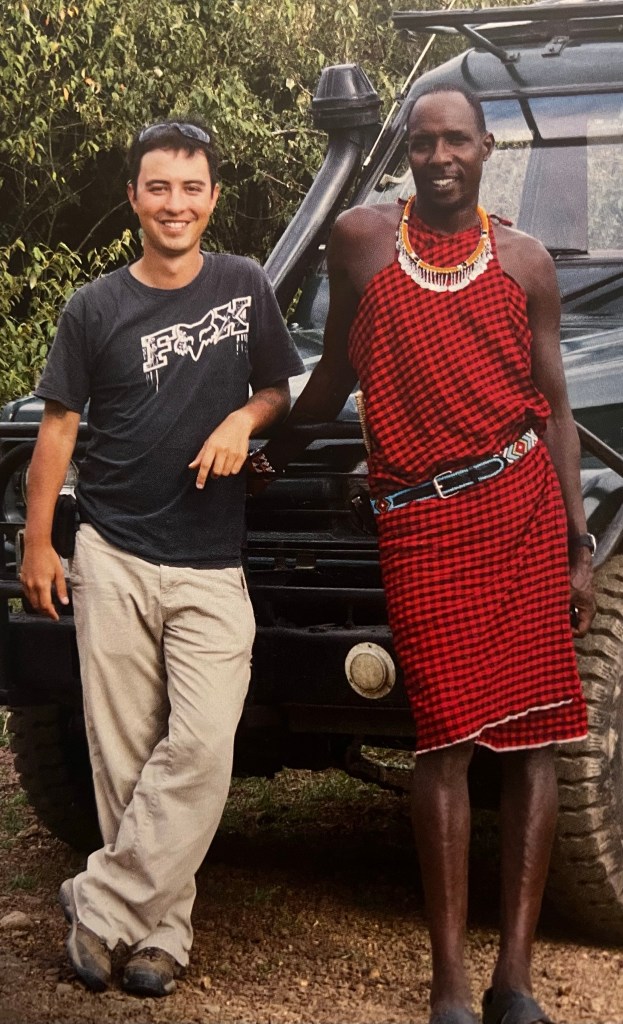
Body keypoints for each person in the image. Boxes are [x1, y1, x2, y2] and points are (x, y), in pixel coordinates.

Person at [250, 87, 596, 1024]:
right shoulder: (360, 240)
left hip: (521, 508)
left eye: (456, 141)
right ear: (404, 151)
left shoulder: (525, 262)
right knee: (442, 738)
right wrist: (266, 451)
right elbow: (334, 376)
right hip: (419, 522)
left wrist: (575, 547)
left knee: (532, 742)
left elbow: (555, 411)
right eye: (422, 142)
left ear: (487, 148)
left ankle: (513, 979)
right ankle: (448, 983)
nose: (439, 156)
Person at [20, 119, 304, 998]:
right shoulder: (93, 307)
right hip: (112, 549)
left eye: (190, 188)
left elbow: (277, 386)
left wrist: (242, 420)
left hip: (210, 559)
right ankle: (159, 937)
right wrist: (39, 542)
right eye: (157, 188)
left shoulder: (243, 284)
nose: (173, 204)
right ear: (133, 198)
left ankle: (98, 900)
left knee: (204, 745)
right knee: (123, 756)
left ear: (212, 198)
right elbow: (57, 431)